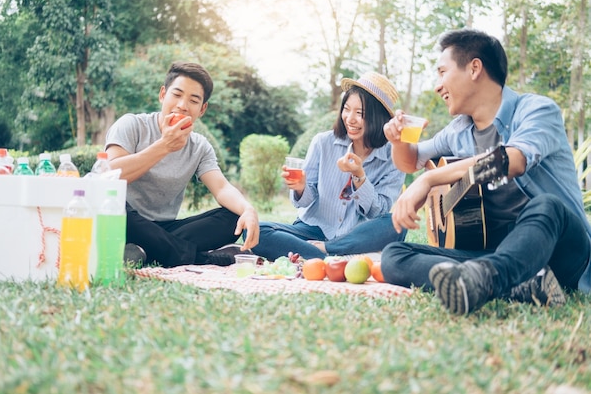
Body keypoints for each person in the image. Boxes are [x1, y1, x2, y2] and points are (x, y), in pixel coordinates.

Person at [381, 28, 591, 315]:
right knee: (394, 256)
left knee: (547, 205)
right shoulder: (459, 130)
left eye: (442, 72)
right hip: (499, 254)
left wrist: (429, 179)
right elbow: (411, 160)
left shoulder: (537, 110)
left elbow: (512, 161)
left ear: (474, 68)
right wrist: (399, 139)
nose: (437, 85)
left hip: (562, 249)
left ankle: (487, 279)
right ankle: (518, 283)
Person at [105, 61, 259, 267]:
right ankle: (203, 258)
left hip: (167, 229)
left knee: (232, 216)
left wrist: (248, 209)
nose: (182, 105)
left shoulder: (200, 146)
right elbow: (108, 176)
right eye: (176, 95)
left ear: (202, 109)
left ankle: (144, 250)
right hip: (125, 221)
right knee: (113, 206)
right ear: (162, 94)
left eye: (193, 100)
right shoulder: (131, 125)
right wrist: (164, 146)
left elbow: (221, 188)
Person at [251, 72, 407, 261]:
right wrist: (301, 188)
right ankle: (332, 256)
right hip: (312, 229)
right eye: (347, 109)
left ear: (379, 118)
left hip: (355, 236)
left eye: (360, 113)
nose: (350, 118)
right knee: (257, 231)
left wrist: (359, 176)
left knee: (397, 222)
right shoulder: (322, 142)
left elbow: (378, 212)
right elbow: (306, 201)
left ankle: (325, 251)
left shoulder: (394, 156)